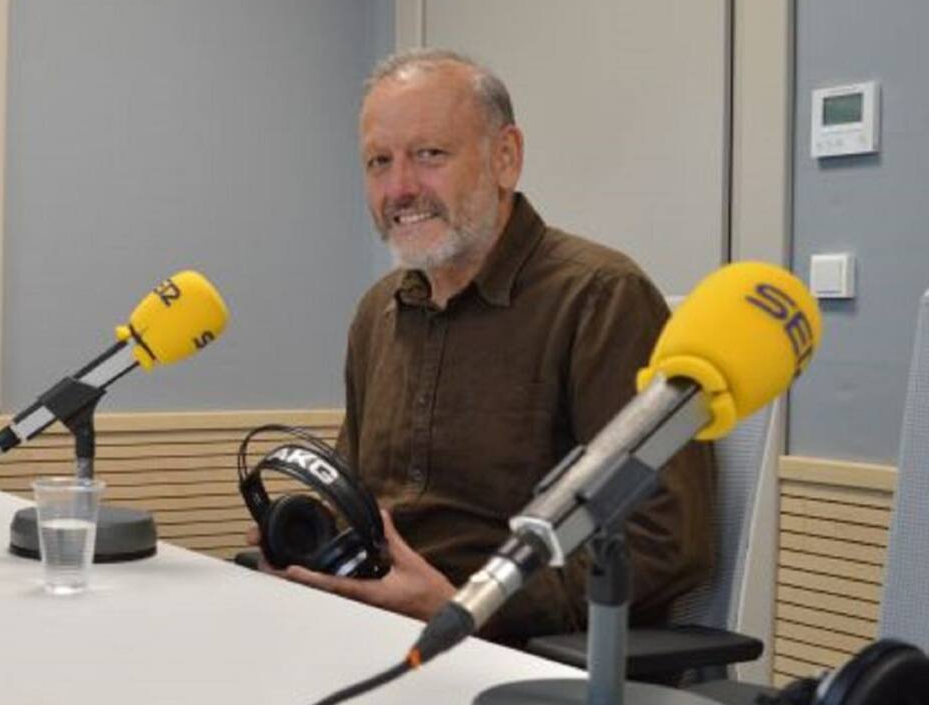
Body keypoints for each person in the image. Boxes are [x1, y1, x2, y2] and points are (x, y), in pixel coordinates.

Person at [259, 49, 716, 649]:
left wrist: (472, 606)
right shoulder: (378, 311)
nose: (400, 188)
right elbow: (357, 499)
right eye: (379, 162)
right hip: (373, 628)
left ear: (506, 158)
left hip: (513, 652)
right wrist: (312, 546)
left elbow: (667, 541)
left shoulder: (601, 298)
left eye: (429, 154)